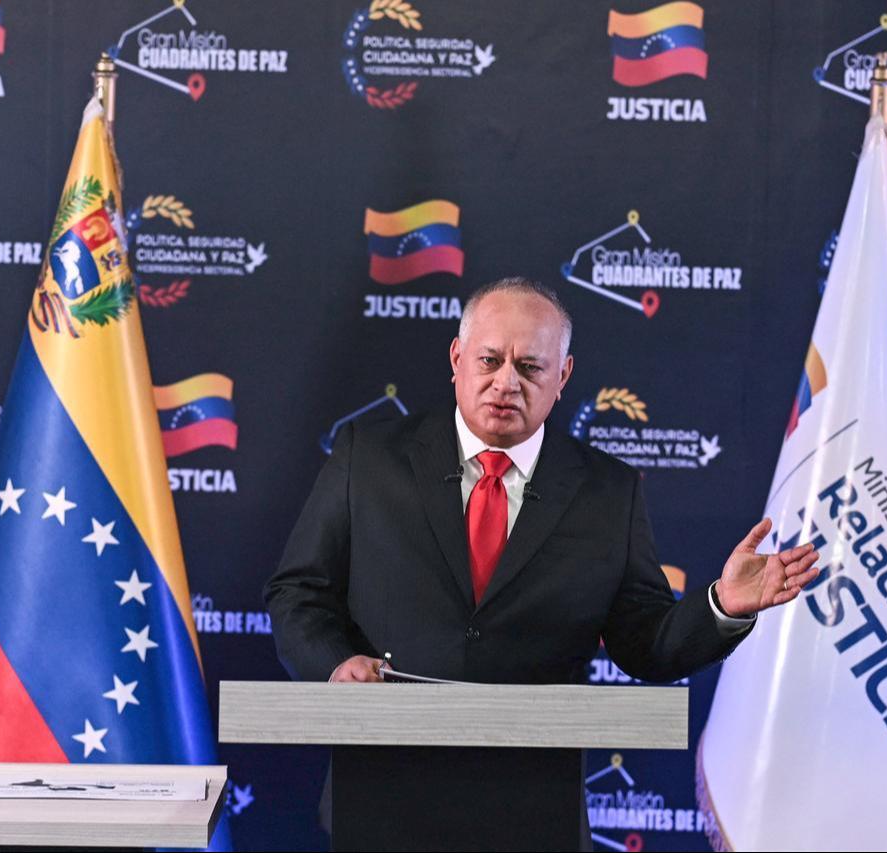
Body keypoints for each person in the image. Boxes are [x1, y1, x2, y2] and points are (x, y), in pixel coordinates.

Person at [263, 277, 820, 850]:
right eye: (490, 359)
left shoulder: (609, 491)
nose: (506, 382)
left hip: (533, 815)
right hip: (382, 799)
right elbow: (299, 592)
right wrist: (335, 665)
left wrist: (721, 606)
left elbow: (644, 642)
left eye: (530, 367)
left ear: (564, 376)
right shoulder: (369, 458)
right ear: (457, 359)